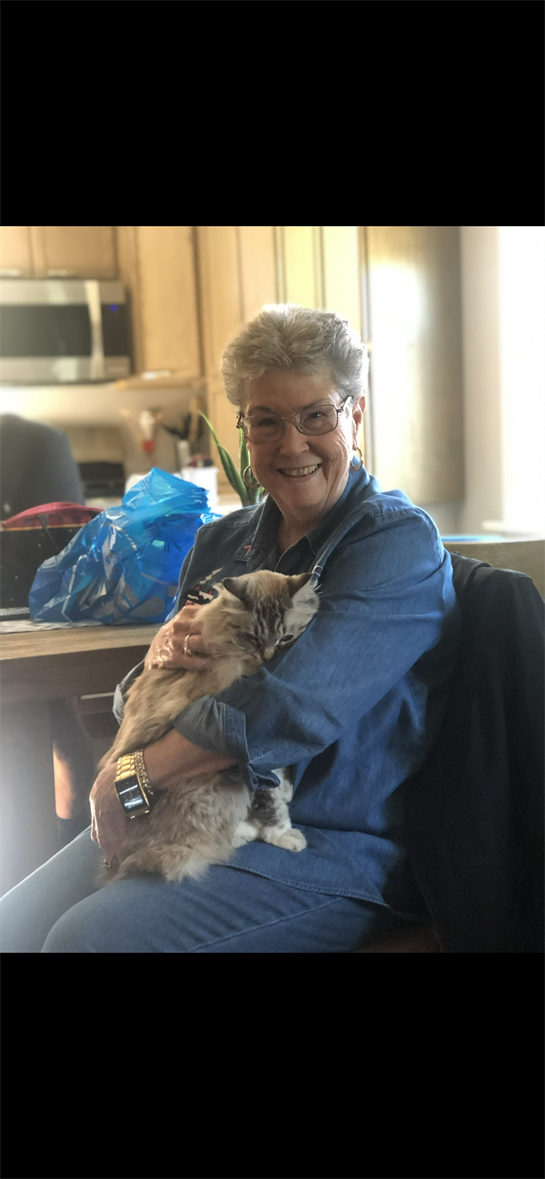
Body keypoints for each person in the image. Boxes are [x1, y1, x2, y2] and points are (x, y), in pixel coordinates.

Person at [0, 305, 459, 953]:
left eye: (316, 415)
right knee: (11, 928)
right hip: (182, 808)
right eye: (266, 421)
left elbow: (289, 707)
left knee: (88, 941)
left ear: (355, 415)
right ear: (243, 428)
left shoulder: (395, 544)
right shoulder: (221, 542)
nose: (292, 444)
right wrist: (156, 659)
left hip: (324, 844)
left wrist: (128, 775)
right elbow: (138, 700)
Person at [0, 414, 95, 849]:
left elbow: (59, 555)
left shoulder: (36, 445)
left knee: (45, 731)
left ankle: (69, 853)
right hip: (39, 610)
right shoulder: (40, 442)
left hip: (30, 621)